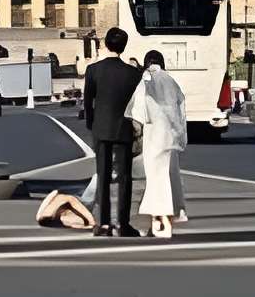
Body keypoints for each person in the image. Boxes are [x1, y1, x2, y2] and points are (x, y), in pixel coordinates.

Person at [79, 28, 144, 237]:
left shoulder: (94, 70)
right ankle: (123, 223)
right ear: (124, 47)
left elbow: (88, 101)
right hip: (123, 128)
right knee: (125, 177)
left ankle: (104, 223)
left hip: (101, 127)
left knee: (103, 175)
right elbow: (138, 104)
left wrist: (91, 123)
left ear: (106, 44)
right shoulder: (133, 74)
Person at [132, 50, 189, 237]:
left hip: (153, 136)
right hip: (170, 137)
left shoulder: (145, 81)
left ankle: (159, 222)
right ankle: (169, 218)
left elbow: (138, 112)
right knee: (170, 177)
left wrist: (137, 133)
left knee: (156, 180)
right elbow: (181, 108)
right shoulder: (171, 82)